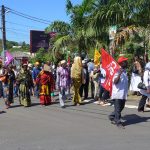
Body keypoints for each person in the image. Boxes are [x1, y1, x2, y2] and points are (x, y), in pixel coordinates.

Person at [109, 56, 128, 128]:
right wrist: (119, 74)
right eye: (125, 61)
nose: (127, 62)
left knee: (121, 107)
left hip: (123, 94)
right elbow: (115, 81)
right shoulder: (117, 71)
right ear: (122, 63)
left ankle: (112, 116)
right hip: (117, 94)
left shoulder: (124, 71)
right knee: (118, 109)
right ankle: (118, 122)